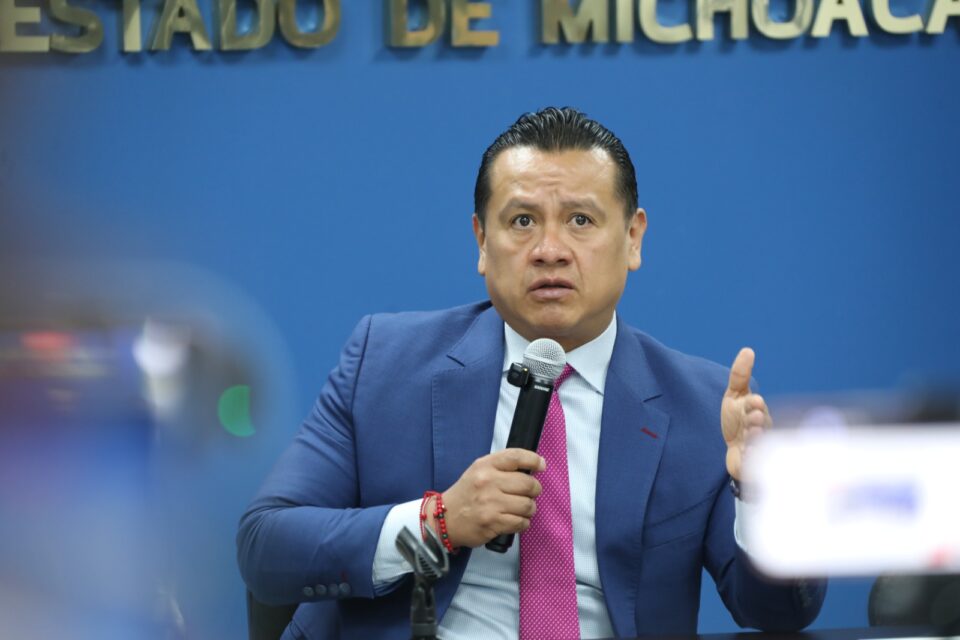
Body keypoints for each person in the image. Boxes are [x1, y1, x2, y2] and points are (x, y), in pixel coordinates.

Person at [237, 107, 826, 639]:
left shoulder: (700, 405)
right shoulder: (384, 363)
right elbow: (266, 546)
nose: (549, 249)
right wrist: (438, 521)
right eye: (522, 221)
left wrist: (763, 496)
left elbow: (782, 613)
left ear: (633, 238)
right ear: (481, 241)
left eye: (580, 220)